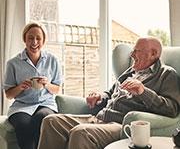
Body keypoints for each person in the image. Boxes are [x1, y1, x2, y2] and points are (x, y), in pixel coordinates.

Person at [37, 37, 180, 149]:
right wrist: (100, 97)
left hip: (121, 124)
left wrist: (143, 91)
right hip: (100, 118)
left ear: (153, 53)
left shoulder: (166, 74)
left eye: (137, 51)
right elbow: (111, 92)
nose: (131, 54)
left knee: (81, 133)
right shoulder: (131, 71)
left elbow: (172, 109)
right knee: (51, 121)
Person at [3, 22, 62, 149]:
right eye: (30, 38)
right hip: (21, 106)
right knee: (23, 124)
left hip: (46, 104)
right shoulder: (13, 63)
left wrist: (46, 84)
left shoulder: (53, 60)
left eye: (38, 38)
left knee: (41, 119)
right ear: (24, 39)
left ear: (43, 40)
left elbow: (57, 89)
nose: (34, 42)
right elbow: (8, 94)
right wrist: (20, 87)